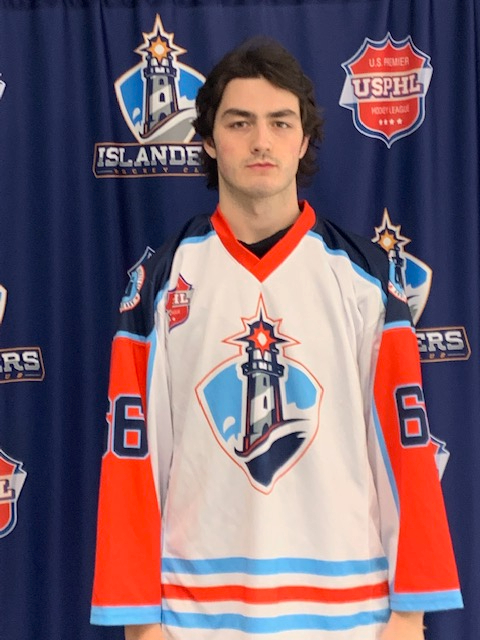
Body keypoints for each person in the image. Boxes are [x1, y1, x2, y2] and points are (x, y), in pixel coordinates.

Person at [90, 38, 462, 640]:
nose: (261, 141)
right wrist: (138, 622)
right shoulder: (162, 280)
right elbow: (133, 458)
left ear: (304, 139)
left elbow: (405, 447)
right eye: (239, 123)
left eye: (280, 122)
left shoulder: (363, 278)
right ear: (209, 139)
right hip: (196, 618)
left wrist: (411, 613)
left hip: (351, 616)